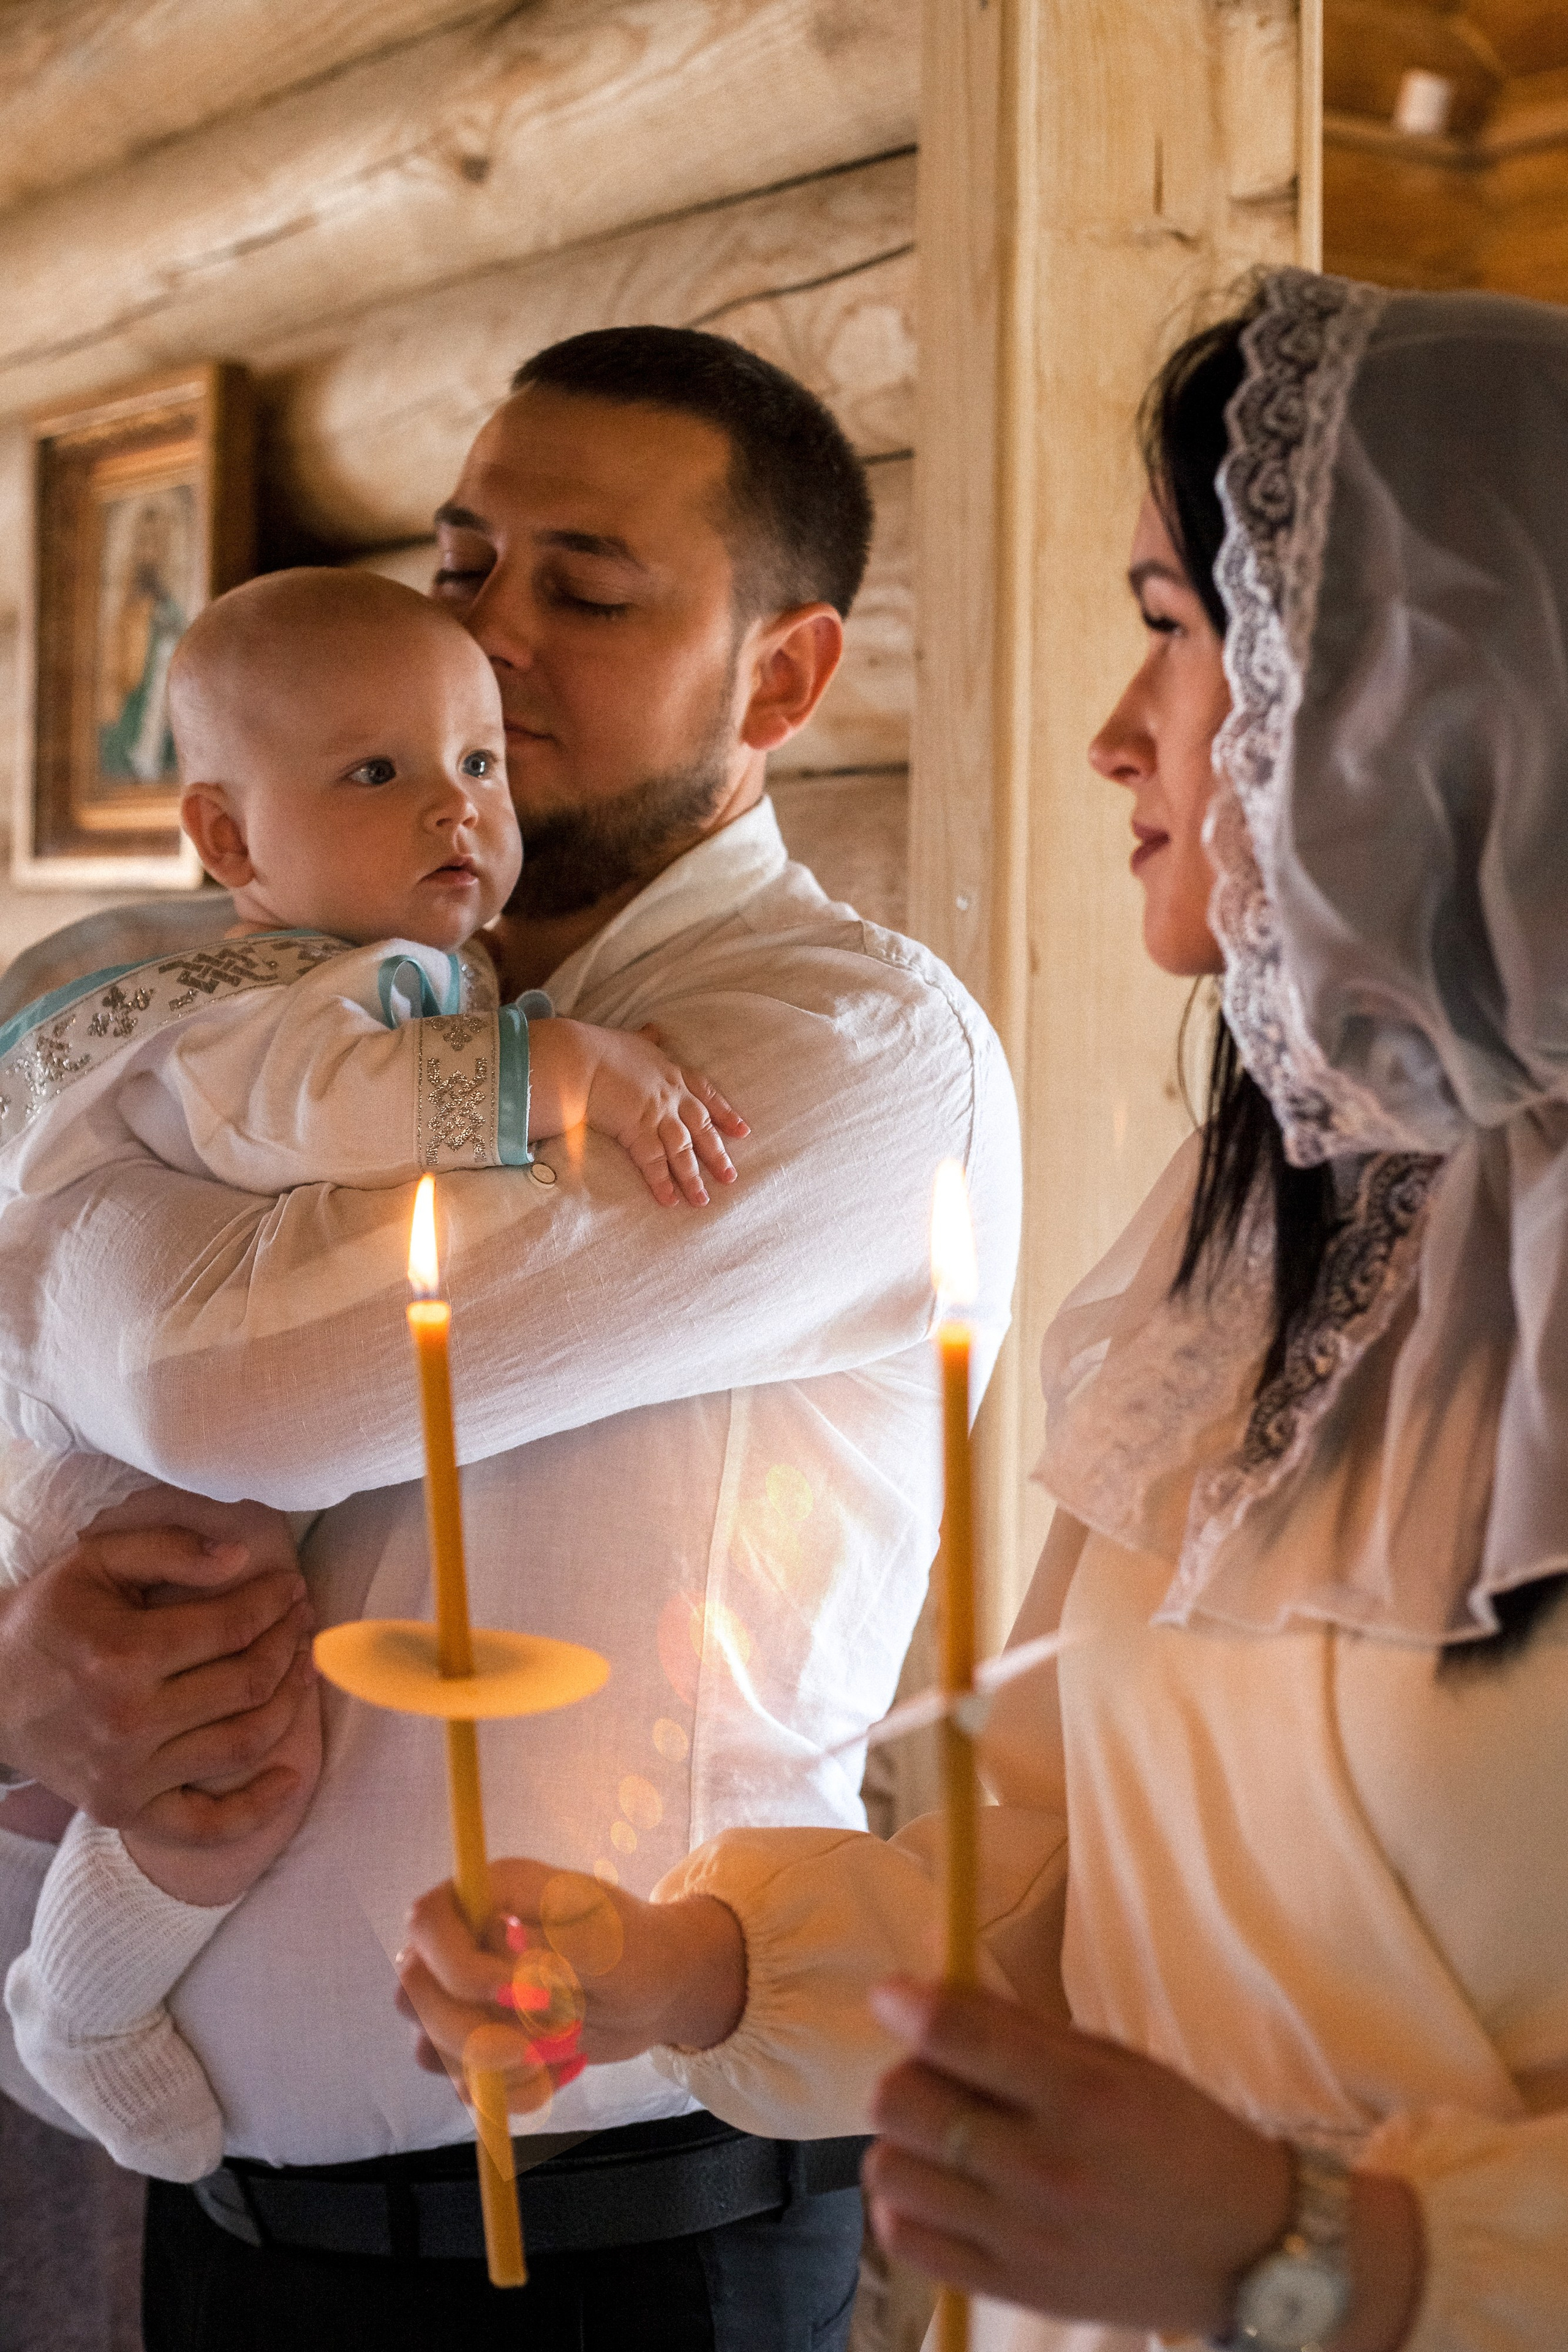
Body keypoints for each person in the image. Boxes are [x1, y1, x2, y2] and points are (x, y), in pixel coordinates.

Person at [399, 271, 1568, 2352]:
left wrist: (1334, 2256)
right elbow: (1064, 1869)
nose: (1123, 731)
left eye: (1177, 633)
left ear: (1436, 690)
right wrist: (703, 1970)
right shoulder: (1266, 1252)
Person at [0, 327, 1020, 2352]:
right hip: (225, 2234)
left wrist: (51, 1228)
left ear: (787, 678)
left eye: (591, 585)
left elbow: (230, 1391)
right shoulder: (291, 1004)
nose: (491, 635)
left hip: (615, 2246)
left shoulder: (839, 1054)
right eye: (465, 563)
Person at [1, 562, 744, 2178]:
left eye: (475, 763)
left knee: (233, 1714)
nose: (452, 808)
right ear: (226, 840)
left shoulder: (358, 972)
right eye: (375, 775)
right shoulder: (273, 1006)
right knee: (232, 1751)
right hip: (91, 1453)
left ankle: (80, 1984)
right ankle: (76, 2002)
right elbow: (326, 1110)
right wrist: (561, 1067)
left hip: (91, 1402)